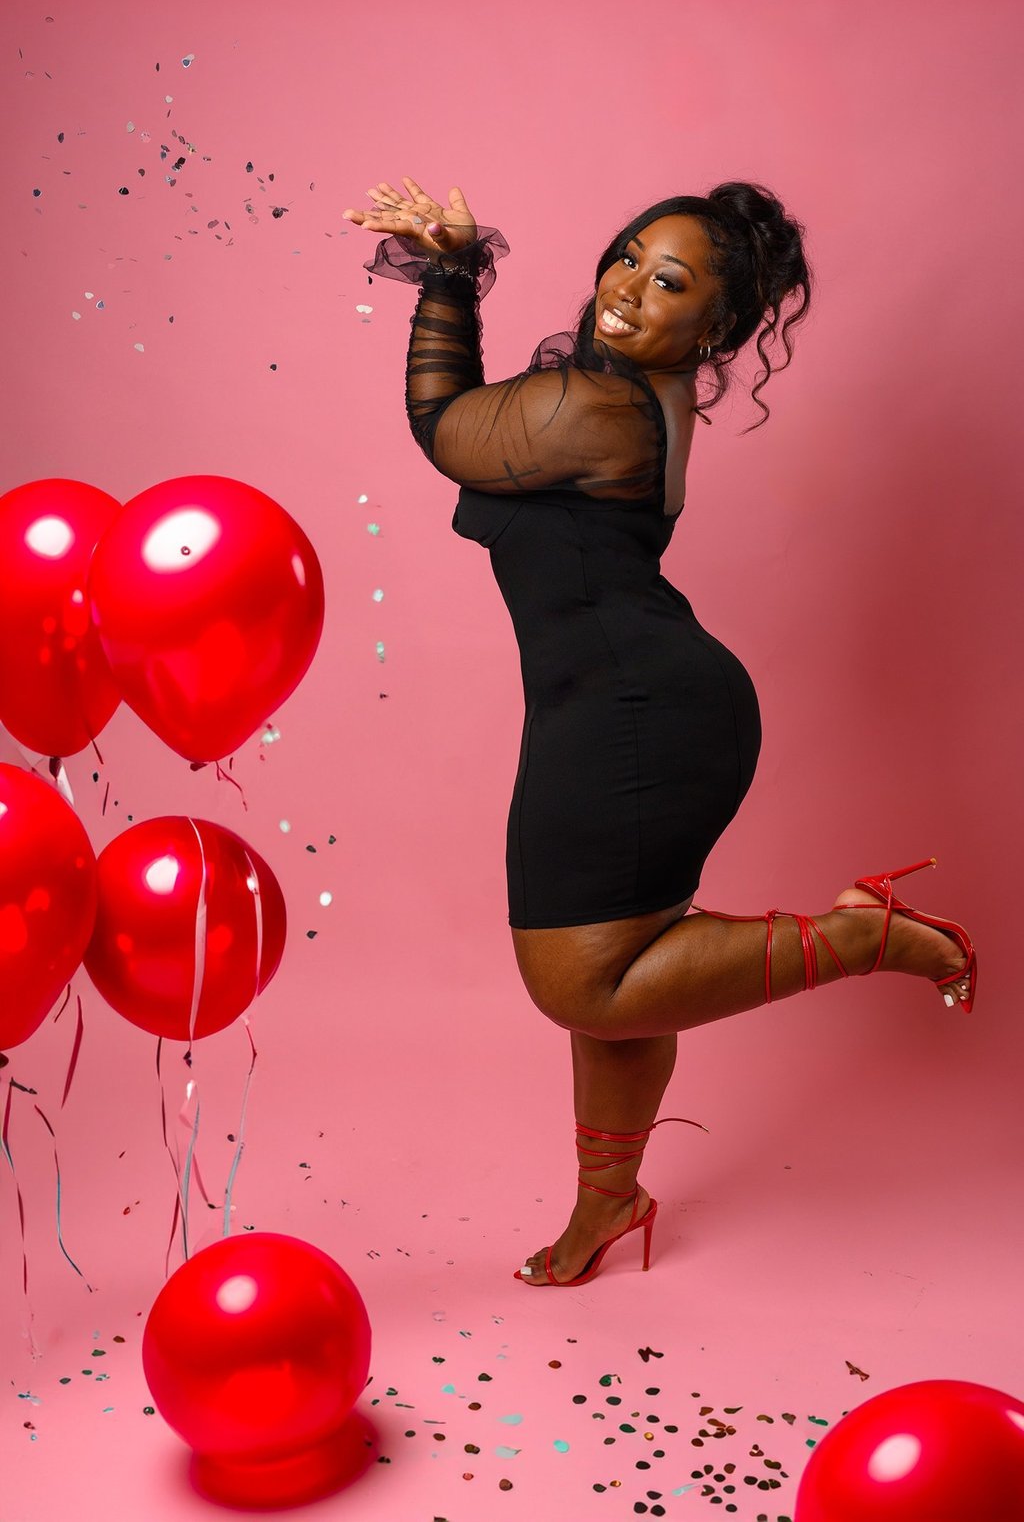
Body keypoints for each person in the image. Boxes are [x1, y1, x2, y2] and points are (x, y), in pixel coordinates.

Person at [342, 176, 976, 1288]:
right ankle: (611, 1198)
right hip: (621, 704)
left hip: (637, 711)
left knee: (581, 984)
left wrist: (447, 275)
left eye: (669, 281)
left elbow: (444, 428)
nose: (628, 286)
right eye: (628, 256)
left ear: (714, 330)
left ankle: (863, 936)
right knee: (619, 987)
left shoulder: (595, 408)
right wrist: (451, 271)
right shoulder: (640, 392)